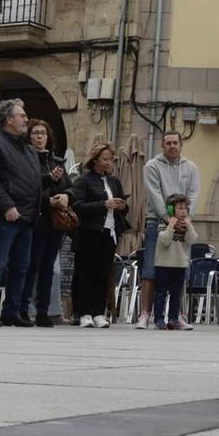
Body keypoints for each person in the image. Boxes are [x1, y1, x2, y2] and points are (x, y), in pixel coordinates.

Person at [0, 99, 42, 327]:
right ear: (8, 119)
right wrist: (7, 206)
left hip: (27, 217)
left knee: (21, 266)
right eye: (21, 115)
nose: (26, 119)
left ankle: (12, 311)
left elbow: (31, 180)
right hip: (5, 216)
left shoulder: (29, 150)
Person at [140, 130, 201, 330]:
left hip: (183, 222)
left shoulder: (190, 167)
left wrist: (185, 218)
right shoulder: (152, 166)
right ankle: (145, 314)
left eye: (175, 142)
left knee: (181, 270)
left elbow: (193, 193)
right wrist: (170, 219)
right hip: (156, 222)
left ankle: (177, 315)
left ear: (181, 144)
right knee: (151, 269)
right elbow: (155, 194)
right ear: (162, 145)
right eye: (168, 143)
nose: (172, 146)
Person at [68, 141, 128, 328]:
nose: (109, 163)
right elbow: (78, 206)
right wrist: (104, 204)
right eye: (105, 159)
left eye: (111, 159)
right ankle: (83, 312)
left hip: (109, 232)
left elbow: (123, 208)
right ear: (95, 160)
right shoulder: (84, 181)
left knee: (103, 273)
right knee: (86, 273)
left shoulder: (114, 181)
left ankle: (98, 312)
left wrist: (123, 206)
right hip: (89, 232)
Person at [25, 118, 71, 327]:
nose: (39, 137)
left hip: (55, 222)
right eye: (35, 133)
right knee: (30, 265)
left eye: (42, 133)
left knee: (48, 268)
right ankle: (23, 308)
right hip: (35, 219)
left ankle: (43, 310)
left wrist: (65, 197)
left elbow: (70, 187)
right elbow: (26, 187)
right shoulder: (25, 160)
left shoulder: (57, 161)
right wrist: (46, 199)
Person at [151, 189, 193, 330]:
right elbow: (164, 240)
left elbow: (192, 239)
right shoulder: (163, 223)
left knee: (176, 293)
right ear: (170, 209)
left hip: (180, 263)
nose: (183, 211)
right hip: (163, 263)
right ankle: (158, 318)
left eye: (185, 208)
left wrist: (189, 227)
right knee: (161, 292)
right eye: (180, 208)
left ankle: (174, 319)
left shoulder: (187, 225)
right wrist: (171, 226)